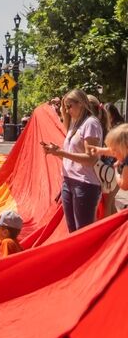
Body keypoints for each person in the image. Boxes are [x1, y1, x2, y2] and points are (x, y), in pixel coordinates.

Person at [41, 89, 103, 233]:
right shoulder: (75, 124)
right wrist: (55, 152)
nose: (67, 111)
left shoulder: (90, 123)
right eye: (65, 107)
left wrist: (61, 152)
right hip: (69, 181)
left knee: (82, 233)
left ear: (81, 104)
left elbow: (91, 159)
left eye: (69, 106)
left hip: (84, 184)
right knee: (73, 231)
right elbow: (72, 158)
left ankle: (89, 256)